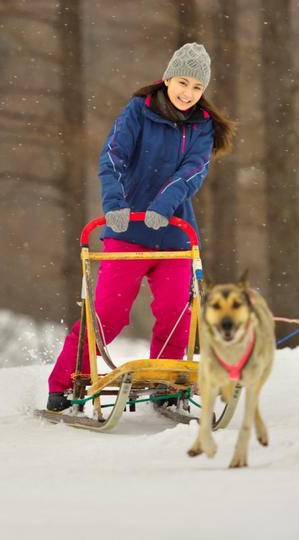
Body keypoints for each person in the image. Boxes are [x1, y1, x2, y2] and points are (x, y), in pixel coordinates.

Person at [46, 43, 236, 411]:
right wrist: (116, 205)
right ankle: (65, 383)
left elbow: (192, 172)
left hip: (174, 235)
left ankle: (166, 386)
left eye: (197, 88)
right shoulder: (138, 112)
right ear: (167, 79)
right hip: (128, 231)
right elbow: (113, 155)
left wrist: (163, 207)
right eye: (183, 82)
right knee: (107, 316)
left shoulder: (202, 126)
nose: (188, 94)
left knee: (177, 315)